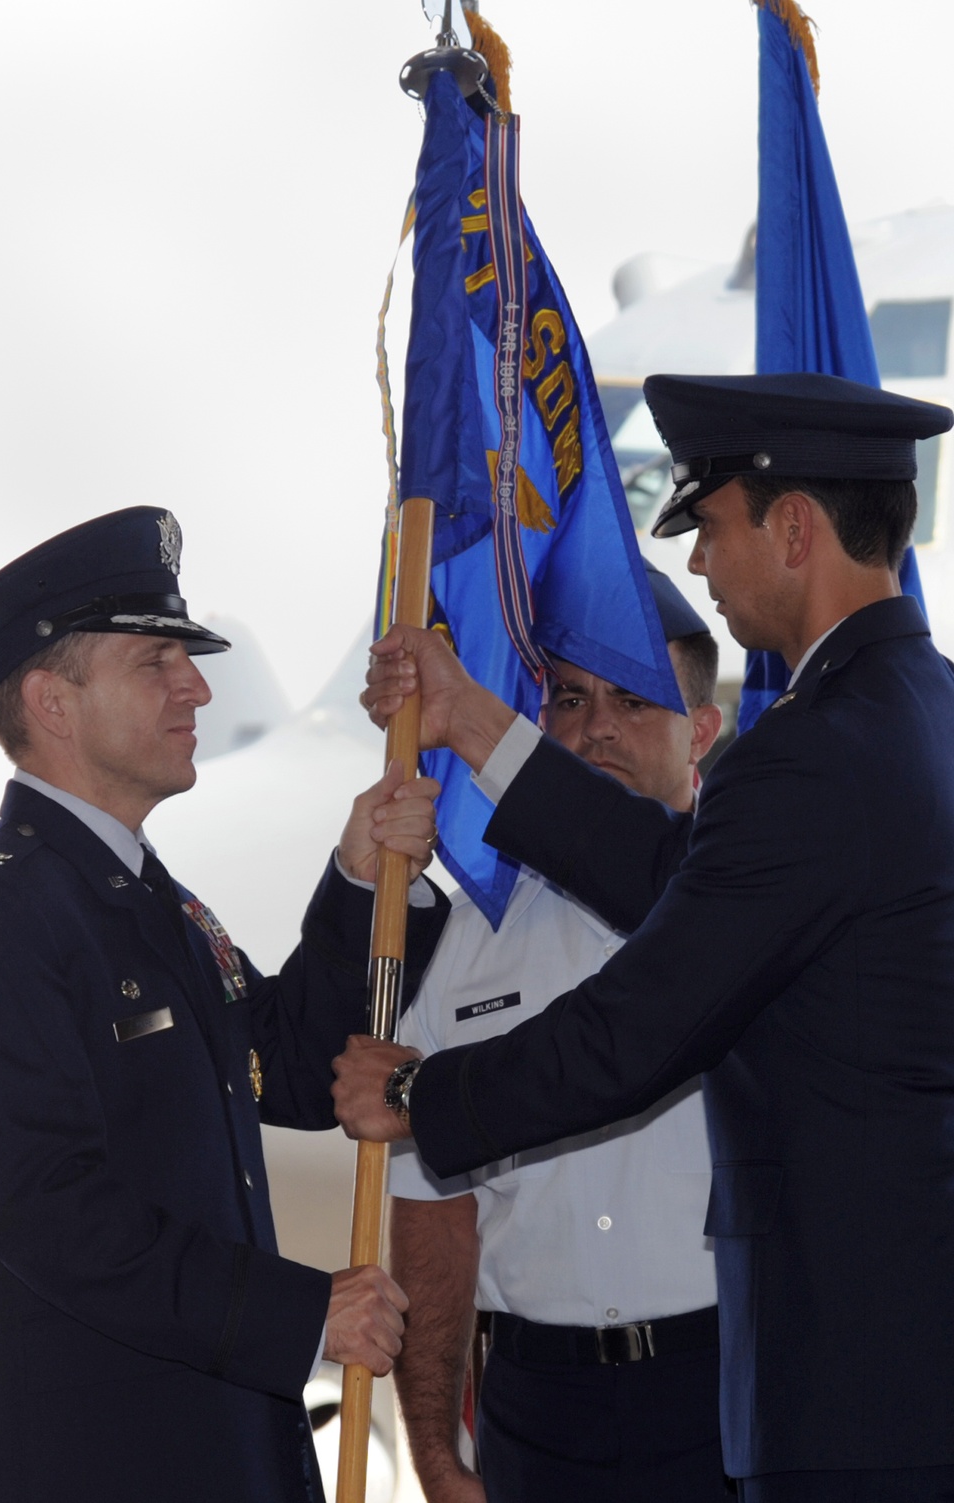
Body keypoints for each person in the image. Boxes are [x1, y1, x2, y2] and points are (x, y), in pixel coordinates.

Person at [331, 373, 954, 1502]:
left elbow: (640, 1027)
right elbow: (679, 881)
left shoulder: (809, 752)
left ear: (796, 527)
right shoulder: (923, 712)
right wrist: (473, 717)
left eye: (709, 528)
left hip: (859, 1387)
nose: (701, 565)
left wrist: (424, 1099)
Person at [0, 506, 449, 1503]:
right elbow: (52, 1214)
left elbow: (292, 1069)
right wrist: (304, 1318)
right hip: (90, 1460)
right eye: (155, 665)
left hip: (215, 1440)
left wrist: (360, 884)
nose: (199, 688)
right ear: (52, 702)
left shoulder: (142, 896)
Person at [388, 563, 727, 1503]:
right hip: (536, 1409)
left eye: (635, 696)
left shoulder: (757, 924)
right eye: (570, 697)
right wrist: (431, 1448)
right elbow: (433, 1213)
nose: (597, 725)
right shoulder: (462, 941)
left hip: (725, 1394)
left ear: (703, 729)